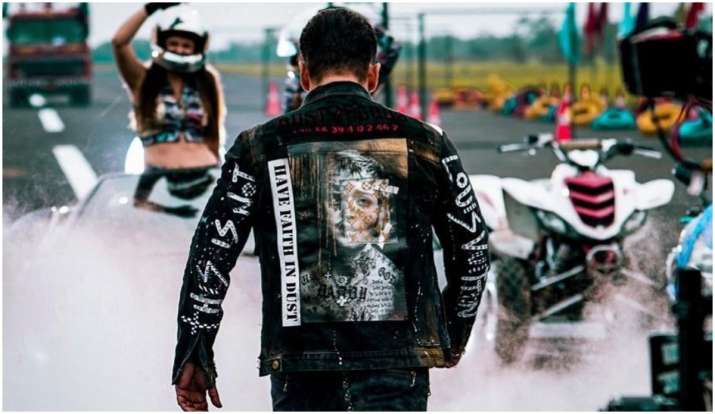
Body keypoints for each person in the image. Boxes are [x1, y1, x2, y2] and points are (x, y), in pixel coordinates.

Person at [172, 7, 489, 411]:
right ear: (373, 75)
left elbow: (210, 254)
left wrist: (194, 349)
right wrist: (452, 334)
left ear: (304, 72)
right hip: (398, 368)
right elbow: (473, 252)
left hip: (301, 371)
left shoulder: (259, 146)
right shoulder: (428, 143)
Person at [112, 3, 226, 216]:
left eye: (186, 45)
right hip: (156, 179)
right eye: (173, 43)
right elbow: (119, 42)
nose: (179, 49)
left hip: (206, 175)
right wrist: (151, 8)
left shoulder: (207, 81)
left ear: (197, 48)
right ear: (161, 43)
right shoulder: (142, 80)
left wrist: (221, 172)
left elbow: (213, 134)